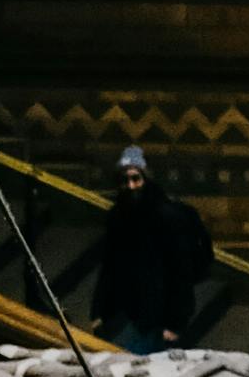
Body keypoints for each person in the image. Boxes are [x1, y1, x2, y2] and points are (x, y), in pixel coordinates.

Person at [90, 140, 212, 349]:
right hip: (131, 311)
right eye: (125, 180)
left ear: (145, 178)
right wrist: (99, 311)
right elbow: (110, 265)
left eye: (135, 179)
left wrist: (175, 322)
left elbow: (180, 271)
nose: (130, 186)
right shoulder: (118, 217)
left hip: (158, 316)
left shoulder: (167, 217)